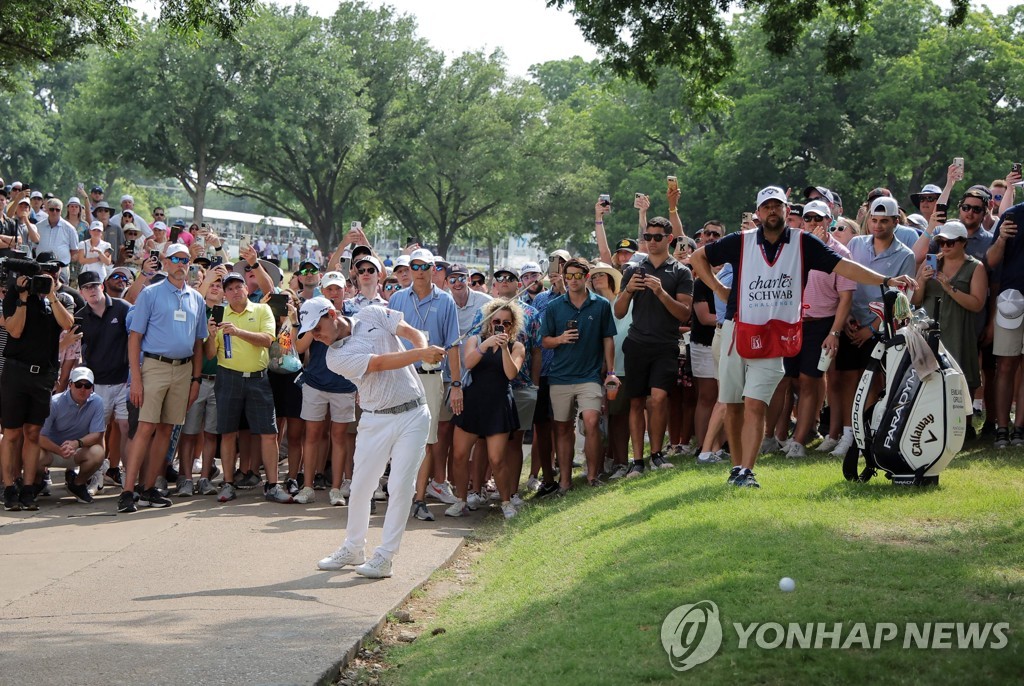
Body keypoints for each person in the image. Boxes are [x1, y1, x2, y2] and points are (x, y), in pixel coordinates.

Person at [690, 187, 917, 489]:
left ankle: (747, 469)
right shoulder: (740, 242)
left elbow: (843, 266)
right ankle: (736, 467)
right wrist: (719, 289)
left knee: (756, 402)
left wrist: (885, 280)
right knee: (733, 403)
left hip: (776, 335)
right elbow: (697, 256)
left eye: (777, 206)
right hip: (738, 329)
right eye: (766, 206)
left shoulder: (803, 242)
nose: (772, 211)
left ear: (786, 210)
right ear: (758, 212)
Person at [305, 299, 446, 579]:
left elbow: (409, 331)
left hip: (413, 414)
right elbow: (379, 363)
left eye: (318, 328)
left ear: (332, 314)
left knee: (399, 485)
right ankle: (354, 547)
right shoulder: (334, 358)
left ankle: (385, 557)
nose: (316, 336)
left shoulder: (372, 313)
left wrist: (423, 352)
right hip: (374, 418)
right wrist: (421, 354)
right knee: (360, 487)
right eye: (311, 332)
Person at [118, 244, 206, 513]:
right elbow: (135, 337)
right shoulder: (151, 294)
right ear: (166, 263)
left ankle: (148, 488)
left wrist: (196, 379)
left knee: (167, 431)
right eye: (176, 259)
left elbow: (199, 343)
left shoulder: (196, 299)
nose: (181, 264)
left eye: (185, 260)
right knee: (145, 427)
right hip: (154, 366)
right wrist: (135, 378)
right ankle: (128, 491)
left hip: (183, 369)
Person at [387, 248, 463, 520]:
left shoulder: (445, 301)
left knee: (427, 440)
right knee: (396, 437)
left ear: (434, 268)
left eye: (424, 266)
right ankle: (399, 498)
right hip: (400, 374)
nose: (418, 271)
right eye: (414, 265)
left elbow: (453, 345)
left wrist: (456, 383)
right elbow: (386, 340)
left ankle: (419, 499)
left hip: (431, 377)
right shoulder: (396, 298)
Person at [614, 216, 693, 476]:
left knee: (658, 399)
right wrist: (628, 291)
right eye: (648, 237)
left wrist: (661, 293)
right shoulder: (632, 270)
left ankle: (656, 453)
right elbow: (619, 311)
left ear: (669, 239)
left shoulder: (681, 272)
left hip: (666, 345)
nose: (652, 242)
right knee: (636, 402)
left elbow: (684, 313)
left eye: (658, 237)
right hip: (636, 344)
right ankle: (637, 460)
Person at [204, 272, 290, 503]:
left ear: (246, 289)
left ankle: (272, 484)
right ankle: (228, 482)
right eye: (229, 288)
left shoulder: (262, 310)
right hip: (228, 377)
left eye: (238, 286)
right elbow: (211, 354)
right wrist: (212, 336)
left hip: (258, 378)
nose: (234, 291)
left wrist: (238, 331)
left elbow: (267, 339)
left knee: (268, 433)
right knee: (228, 432)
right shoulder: (220, 314)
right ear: (225, 293)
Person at [1, 265, 75, 511]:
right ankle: (9, 486)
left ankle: (28, 488)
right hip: (16, 372)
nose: (46, 280)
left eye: (52, 275)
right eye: (42, 276)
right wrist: (23, 298)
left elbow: (67, 324)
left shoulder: (59, 300)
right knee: (12, 433)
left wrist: (51, 295)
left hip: (43, 375)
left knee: (33, 433)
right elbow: (15, 330)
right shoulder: (14, 295)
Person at [541, 258, 618, 492]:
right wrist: (561, 339)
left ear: (586, 277)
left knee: (592, 421)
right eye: (569, 275)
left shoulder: (601, 304)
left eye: (577, 275)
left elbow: (608, 339)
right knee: (562, 428)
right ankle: (565, 481)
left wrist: (611, 372)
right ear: (564, 277)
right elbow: (545, 341)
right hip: (560, 377)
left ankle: (593, 475)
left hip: (590, 376)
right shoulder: (554, 307)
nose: (572, 280)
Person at [447, 300, 526, 519]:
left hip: (498, 404)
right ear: (489, 322)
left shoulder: (516, 346)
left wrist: (502, 349)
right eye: (497, 321)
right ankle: (461, 500)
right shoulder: (476, 339)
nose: (501, 326)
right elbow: (469, 363)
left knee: (497, 459)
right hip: (473, 402)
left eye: (506, 323)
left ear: (513, 325)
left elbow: (511, 374)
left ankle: (506, 501)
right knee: (460, 455)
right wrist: (485, 345)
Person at [912, 220, 987, 433]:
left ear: (963, 242)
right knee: (928, 375)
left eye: (950, 242)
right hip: (928, 327)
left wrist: (949, 287)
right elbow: (916, 300)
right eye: (941, 241)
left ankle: (962, 428)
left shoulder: (975, 267)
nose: (945, 246)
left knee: (961, 374)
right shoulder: (931, 263)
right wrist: (923, 280)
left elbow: (977, 303)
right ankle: (928, 426)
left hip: (958, 328)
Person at [38, 367, 107, 504]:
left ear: (92, 387)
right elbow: (40, 437)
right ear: (70, 385)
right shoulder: (55, 402)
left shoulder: (97, 402)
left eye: (87, 386)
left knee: (98, 452)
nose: (83, 389)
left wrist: (77, 443)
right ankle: (37, 482)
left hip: (76, 451)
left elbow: (97, 435)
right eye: (78, 384)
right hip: (51, 451)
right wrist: (59, 450)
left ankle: (77, 484)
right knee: (33, 452)